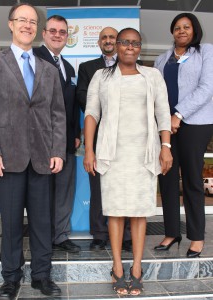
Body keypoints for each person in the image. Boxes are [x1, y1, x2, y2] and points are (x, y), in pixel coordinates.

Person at [0, 3, 66, 299]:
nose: (28, 25)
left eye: (32, 21)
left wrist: (58, 150)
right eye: (22, 20)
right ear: (11, 24)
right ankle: (11, 278)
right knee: (12, 224)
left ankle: (42, 276)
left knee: (43, 223)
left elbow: (57, 114)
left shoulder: (48, 69)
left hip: (43, 158)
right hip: (8, 158)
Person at [83, 28, 172, 296]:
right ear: (117, 46)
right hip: (112, 153)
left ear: (140, 47)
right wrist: (89, 150)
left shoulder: (153, 76)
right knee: (115, 211)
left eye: (135, 43)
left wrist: (165, 147)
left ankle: (136, 268)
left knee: (138, 211)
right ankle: (117, 268)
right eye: (125, 42)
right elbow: (91, 113)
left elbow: (163, 112)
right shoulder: (101, 76)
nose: (130, 47)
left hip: (143, 154)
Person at [154, 13, 213, 257]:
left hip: (195, 123)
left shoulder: (206, 52)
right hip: (166, 124)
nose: (181, 31)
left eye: (186, 27)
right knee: (166, 177)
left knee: (191, 179)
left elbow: (207, 88)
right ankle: (171, 233)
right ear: (172, 32)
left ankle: (197, 236)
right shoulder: (161, 59)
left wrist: (178, 114)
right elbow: (157, 93)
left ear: (194, 30)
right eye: (177, 27)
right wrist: (163, 120)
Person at [76, 27, 132, 252]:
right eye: (104, 38)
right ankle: (99, 234)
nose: (108, 41)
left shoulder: (130, 65)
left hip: (128, 137)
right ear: (98, 43)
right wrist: (105, 111)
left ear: (118, 42)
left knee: (124, 187)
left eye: (112, 38)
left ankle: (127, 235)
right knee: (98, 186)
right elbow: (82, 96)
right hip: (98, 135)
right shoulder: (87, 68)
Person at [33, 15, 81, 253]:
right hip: (40, 141)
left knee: (63, 192)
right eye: (53, 30)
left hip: (66, 143)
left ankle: (60, 236)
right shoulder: (32, 59)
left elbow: (72, 106)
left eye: (62, 32)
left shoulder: (69, 67)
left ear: (67, 37)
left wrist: (76, 132)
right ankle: (42, 239)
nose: (57, 35)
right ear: (44, 33)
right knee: (41, 194)